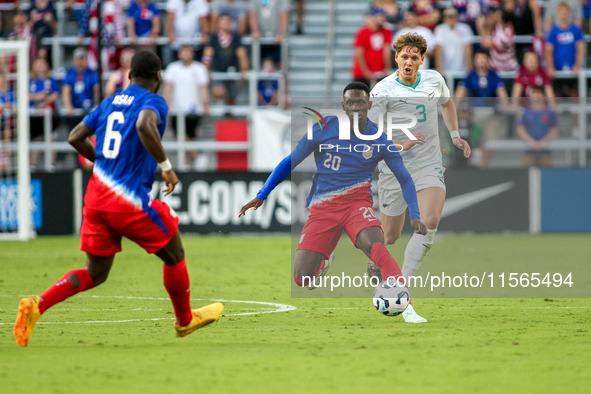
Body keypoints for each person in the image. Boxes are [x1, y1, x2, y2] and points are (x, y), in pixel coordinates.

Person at [13, 50, 224, 347]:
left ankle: (37, 305)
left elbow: (75, 136)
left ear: (128, 75)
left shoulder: (108, 103)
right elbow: (143, 125)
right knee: (174, 253)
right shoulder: (153, 101)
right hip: (126, 201)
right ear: (158, 77)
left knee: (95, 272)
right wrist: (167, 168)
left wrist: (103, 163)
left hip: (96, 199)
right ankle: (185, 320)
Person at [239, 81, 427, 298]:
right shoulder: (324, 128)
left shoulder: (379, 138)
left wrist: (414, 214)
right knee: (302, 279)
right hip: (323, 209)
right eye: (351, 103)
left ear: (369, 104)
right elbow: (290, 162)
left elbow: (404, 178)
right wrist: (262, 194)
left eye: (360, 102)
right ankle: (325, 259)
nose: (356, 107)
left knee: (376, 246)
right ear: (344, 106)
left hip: (357, 206)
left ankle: (404, 302)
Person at [368, 32, 471, 323]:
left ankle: (400, 290)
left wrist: (455, 135)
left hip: (428, 164)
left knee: (430, 222)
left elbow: (447, 104)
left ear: (422, 60)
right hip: (394, 168)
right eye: (404, 57)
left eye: (415, 57)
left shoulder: (434, 80)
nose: (409, 61)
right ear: (396, 58)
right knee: (389, 235)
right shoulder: (382, 91)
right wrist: (403, 143)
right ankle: (374, 257)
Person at [162, 45, 209, 169]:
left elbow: (203, 87)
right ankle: (198, 157)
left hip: (194, 108)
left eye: (188, 52)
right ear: (179, 54)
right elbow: (168, 88)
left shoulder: (199, 68)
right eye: (184, 52)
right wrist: (166, 103)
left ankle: (188, 163)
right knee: (179, 135)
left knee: (190, 136)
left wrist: (205, 103)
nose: (186, 55)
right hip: (177, 108)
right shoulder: (172, 68)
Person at [203, 13, 249, 106]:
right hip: (218, 70)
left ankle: (229, 115)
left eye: (228, 21)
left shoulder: (235, 37)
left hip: (233, 70)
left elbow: (241, 53)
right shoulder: (214, 37)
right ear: (218, 24)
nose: (225, 23)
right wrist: (206, 68)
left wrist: (244, 69)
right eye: (223, 21)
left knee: (232, 97)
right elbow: (208, 54)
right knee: (218, 92)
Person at [545, 2, 584, 97]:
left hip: (572, 67)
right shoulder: (553, 31)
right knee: (556, 94)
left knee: (574, 93)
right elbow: (548, 51)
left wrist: (578, 65)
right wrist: (550, 67)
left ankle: (576, 112)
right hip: (557, 67)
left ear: (569, 13)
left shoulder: (576, 30)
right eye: (561, 11)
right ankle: (556, 112)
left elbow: (580, 49)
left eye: (565, 11)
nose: (564, 14)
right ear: (557, 13)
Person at [516, 85, 559, 167]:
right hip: (529, 150)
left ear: (543, 95)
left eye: (539, 93)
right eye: (534, 93)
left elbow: (555, 129)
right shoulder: (525, 112)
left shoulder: (549, 112)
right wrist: (531, 142)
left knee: (547, 175)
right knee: (526, 174)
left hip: (545, 151)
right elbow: (520, 129)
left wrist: (544, 142)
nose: (536, 95)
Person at [29, 57, 59, 171]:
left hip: (49, 113)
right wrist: (38, 96)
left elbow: (55, 95)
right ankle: (33, 164)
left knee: (51, 137)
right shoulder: (30, 80)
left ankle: (51, 164)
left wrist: (45, 101)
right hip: (34, 114)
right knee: (35, 138)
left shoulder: (51, 79)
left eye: (42, 63)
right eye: (38, 64)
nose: (40, 66)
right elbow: (24, 95)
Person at [351, 8, 392, 88]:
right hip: (362, 73)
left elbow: (386, 52)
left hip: (380, 72)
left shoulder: (386, 31)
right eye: (380, 16)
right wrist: (367, 72)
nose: (383, 19)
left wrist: (387, 68)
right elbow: (359, 54)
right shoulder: (362, 32)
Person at [61, 47, 99, 130]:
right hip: (75, 107)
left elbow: (96, 90)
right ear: (74, 60)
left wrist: (96, 105)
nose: (80, 62)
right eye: (78, 59)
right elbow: (66, 90)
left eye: (83, 59)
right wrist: (68, 106)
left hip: (88, 108)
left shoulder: (91, 73)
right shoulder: (70, 73)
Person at [477, 7, 519, 72]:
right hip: (495, 66)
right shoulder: (500, 26)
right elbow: (489, 34)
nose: (495, 17)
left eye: (498, 16)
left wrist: (480, 27)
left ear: (502, 20)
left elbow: (485, 44)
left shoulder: (505, 37)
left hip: (507, 68)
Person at [434, 8, 474, 76]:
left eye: (453, 17)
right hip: (445, 66)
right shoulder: (440, 29)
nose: (451, 19)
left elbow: (468, 48)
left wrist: (469, 66)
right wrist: (439, 67)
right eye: (449, 17)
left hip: (461, 66)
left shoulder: (465, 29)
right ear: (444, 19)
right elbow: (439, 49)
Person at [249, 0, 289, 67]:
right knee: (260, 62)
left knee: (279, 62)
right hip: (261, 37)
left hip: (276, 36)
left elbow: (283, 14)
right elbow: (252, 14)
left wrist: (281, 33)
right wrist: (255, 31)